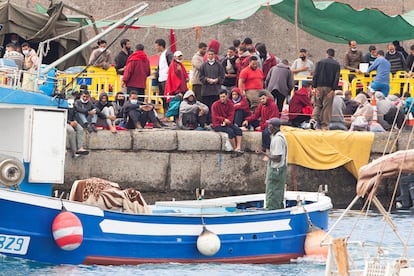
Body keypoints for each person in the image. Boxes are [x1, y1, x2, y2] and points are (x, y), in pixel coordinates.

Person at [242, 91, 279, 158]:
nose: (262, 100)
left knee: (265, 133)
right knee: (251, 120)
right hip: (263, 123)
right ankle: (246, 127)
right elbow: (255, 115)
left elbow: (271, 121)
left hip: (271, 125)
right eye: (260, 99)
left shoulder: (273, 105)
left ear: (267, 98)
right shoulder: (261, 105)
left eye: (263, 98)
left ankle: (267, 151)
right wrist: (247, 120)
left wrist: (261, 127)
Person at [311, 48, 341, 130]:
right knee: (327, 107)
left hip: (319, 87)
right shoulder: (336, 64)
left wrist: (314, 87)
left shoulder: (320, 62)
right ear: (333, 55)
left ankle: (313, 119)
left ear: (326, 54)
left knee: (317, 104)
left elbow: (315, 75)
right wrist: (333, 89)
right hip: (329, 88)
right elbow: (336, 78)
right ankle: (325, 125)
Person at [262, 117, 288, 210]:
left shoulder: (277, 139)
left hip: (276, 172)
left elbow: (277, 158)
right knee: (278, 195)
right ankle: (278, 209)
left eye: (270, 125)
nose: (268, 127)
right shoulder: (280, 136)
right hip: (280, 171)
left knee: (272, 194)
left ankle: (272, 211)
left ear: (275, 127)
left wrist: (266, 154)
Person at [211, 90, 243, 155]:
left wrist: (228, 121)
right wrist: (223, 120)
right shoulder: (215, 105)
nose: (222, 98)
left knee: (238, 130)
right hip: (217, 124)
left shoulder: (230, 104)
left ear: (227, 96)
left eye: (223, 96)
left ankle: (238, 147)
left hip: (228, 122)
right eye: (221, 97)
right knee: (230, 131)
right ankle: (234, 149)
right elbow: (215, 116)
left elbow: (231, 115)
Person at [200, 49, 225, 122]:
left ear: (214, 55)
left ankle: (215, 121)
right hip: (206, 91)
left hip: (216, 90)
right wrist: (206, 79)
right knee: (206, 107)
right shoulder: (203, 65)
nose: (210, 56)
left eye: (212, 54)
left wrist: (218, 80)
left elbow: (222, 76)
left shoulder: (219, 65)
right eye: (209, 54)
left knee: (215, 107)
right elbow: (201, 77)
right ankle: (207, 121)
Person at [155, 38, 174, 111]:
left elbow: (172, 65)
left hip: (166, 79)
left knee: (167, 98)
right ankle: (165, 114)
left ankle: (168, 114)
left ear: (160, 46)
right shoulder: (161, 55)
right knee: (162, 97)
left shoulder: (168, 54)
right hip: (161, 79)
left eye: (156, 46)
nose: (156, 48)